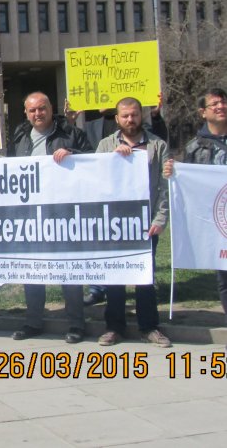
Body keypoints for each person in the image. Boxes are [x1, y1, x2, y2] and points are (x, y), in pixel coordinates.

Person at [8, 92, 92, 344]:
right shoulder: (20, 136)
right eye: (32, 110)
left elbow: (92, 159)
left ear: (50, 108)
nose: (37, 114)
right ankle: (33, 321)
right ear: (26, 112)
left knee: (68, 270)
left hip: (64, 213)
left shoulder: (69, 132)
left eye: (42, 109)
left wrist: (72, 152)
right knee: (33, 269)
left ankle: (76, 324)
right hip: (31, 215)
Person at [97, 97, 172, 347]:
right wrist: (114, 160)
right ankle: (114, 327)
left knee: (145, 277)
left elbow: (164, 186)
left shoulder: (157, 145)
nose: (130, 120)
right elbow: (95, 180)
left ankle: (149, 327)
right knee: (115, 277)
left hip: (146, 223)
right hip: (115, 224)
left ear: (142, 116)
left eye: (134, 115)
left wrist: (160, 218)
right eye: (125, 116)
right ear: (117, 119)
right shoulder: (106, 145)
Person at [164, 88, 227, 327]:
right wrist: (173, 173)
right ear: (203, 112)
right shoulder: (193, 148)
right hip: (219, 224)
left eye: (223, 102)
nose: (221, 107)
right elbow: (188, 184)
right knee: (225, 278)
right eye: (214, 104)